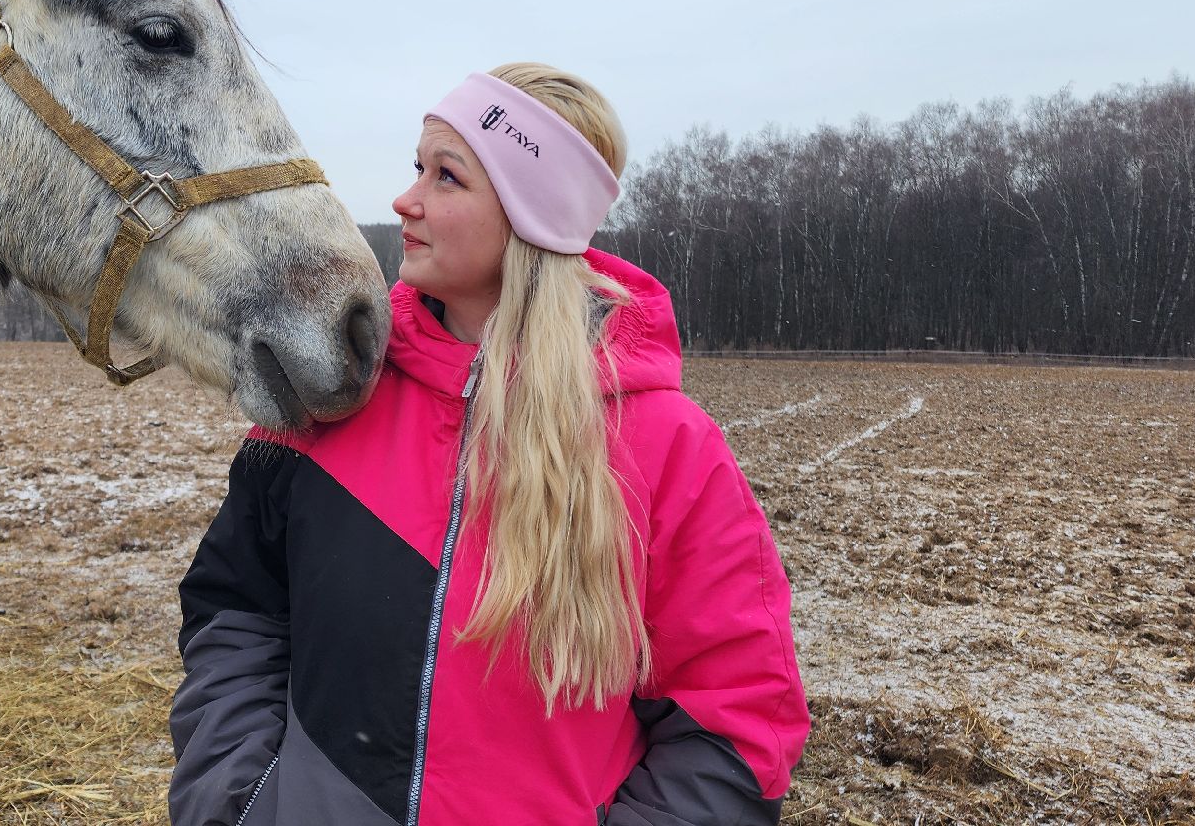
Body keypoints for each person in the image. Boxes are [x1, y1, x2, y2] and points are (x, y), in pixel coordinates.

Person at [169, 64, 809, 825]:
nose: (406, 200)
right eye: (417, 168)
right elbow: (235, 611)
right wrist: (241, 805)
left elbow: (736, 722)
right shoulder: (331, 403)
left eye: (447, 177)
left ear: (529, 215)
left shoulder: (670, 449)